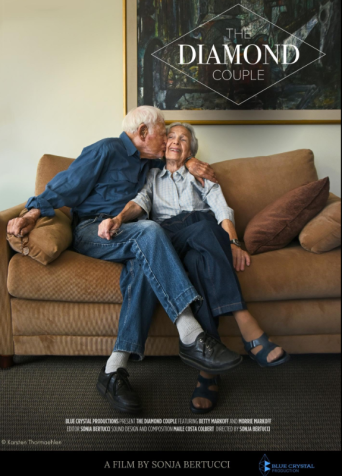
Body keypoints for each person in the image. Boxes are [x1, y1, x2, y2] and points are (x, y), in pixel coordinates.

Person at [6, 106, 243, 414]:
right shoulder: (106, 149)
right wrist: (32, 213)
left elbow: (175, 158)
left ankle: (113, 370)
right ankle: (191, 333)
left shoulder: (150, 160)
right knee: (150, 231)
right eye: (163, 132)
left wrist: (192, 160)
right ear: (142, 133)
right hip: (93, 230)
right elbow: (65, 185)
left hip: (127, 234)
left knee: (144, 266)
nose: (167, 139)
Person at [107, 122, 290, 414]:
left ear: (191, 149)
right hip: (168, 236)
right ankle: (246, 322)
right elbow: (139, 202)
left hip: (202, 233)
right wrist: (118, 218)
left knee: (199, 257)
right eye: (171, 137)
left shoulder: (202, 174)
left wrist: (233, 241)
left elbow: (221, 209)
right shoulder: (151, 174)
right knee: (199, 231)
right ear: (163, 144)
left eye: (184, 140)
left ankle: (208, 372)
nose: (176, 142)